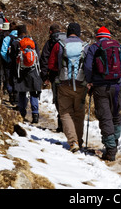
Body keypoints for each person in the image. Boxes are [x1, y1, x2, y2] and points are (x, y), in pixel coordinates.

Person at [84, 26, 121, 161]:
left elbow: (87, 66)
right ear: (109, 36)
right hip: (117, 86)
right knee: (115, 115)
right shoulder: (118, 46)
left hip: (100, 87)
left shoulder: (94, 47)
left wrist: (90, 81)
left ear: (98, 36)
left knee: (105, 116)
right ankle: (114, 143)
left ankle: (110, 150)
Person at [48, 22, 88, 152]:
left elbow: (52, 65)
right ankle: (79, 141)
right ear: (79, 32)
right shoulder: (85, 47)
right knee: (79, 113)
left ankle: (73, 142)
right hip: (81, 84)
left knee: (65, 113)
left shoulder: (59, 45)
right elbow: (89, 66)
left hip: (64, 84)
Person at [9, 24, 42, 123]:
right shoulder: (33, 42)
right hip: (33, 71)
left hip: (21, 72)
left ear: (18, 33)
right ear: (26, 32)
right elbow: (38, 57)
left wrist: (13, 74)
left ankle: (22, 113)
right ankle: (35, 114)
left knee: (22, 92)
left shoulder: (15, 43)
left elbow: (12, 59)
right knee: (34, 93)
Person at [40, 24, 65, 132]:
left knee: (58, 99)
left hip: (55, 75)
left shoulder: (50, 43)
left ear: (50, 32)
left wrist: (45, 76)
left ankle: (61, 123)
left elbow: (44, 59)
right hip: (70, 75)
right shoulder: (67, 40)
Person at [0, 21, 18, 104]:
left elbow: (3, 52)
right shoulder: (21, 37)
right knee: (17, 79)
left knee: (9, 79)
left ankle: (11, 95)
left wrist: (7, 60)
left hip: (9, 62)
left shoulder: (7, 38)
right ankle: (17, 96)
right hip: (19, 63)